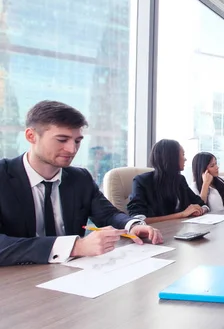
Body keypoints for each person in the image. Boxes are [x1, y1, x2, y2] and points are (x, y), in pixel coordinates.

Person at [0, 101, 163, 267]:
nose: (72, 150)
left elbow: (108, 215)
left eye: (77, 141)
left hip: (71, 273)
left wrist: (132, 226)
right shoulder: (3, 175)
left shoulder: (80, 177)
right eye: (62, 140)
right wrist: (75, 247)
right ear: (31, 136)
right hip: (16, 279)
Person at [128, 140, 208, 224]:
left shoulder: (180, 180)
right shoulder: (141, 181)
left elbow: (202, 204)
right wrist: (182, 214)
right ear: (172, 157)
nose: (185, 159)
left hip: (179, 230)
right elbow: (138, 220)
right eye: (183, 154)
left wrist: (199, 210)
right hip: (156, 233)